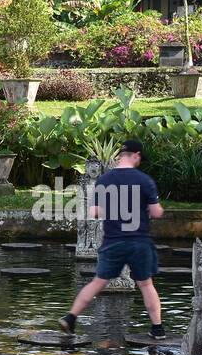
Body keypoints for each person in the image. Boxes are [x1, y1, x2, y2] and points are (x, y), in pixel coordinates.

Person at [59, 140, 165, 339]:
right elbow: (156, 212)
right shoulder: (144, 180)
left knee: (98, 282)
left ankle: (71, 318)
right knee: (145, 284)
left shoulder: (104, 180)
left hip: (113, 241)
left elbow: (95, 212)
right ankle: (157, 329)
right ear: (136, 155)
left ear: (120, 156)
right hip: (139, 241)